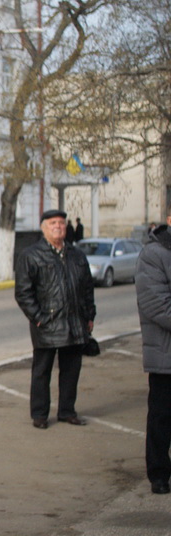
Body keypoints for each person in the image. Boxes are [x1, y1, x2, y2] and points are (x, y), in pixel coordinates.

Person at [15, 209, 96, 430]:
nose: (58, 226)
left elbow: (87, 288)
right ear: (44, 228)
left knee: (71, 371)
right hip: (47, 325)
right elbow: (23, 292)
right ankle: (40, 414)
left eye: (61, 222)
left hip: (75, 323)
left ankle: (67, 411)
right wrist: (39, 319)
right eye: (52, 223)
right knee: (41, 372)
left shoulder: (77, 255)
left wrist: (89, 316)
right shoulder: (31, 255)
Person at [135, 209, 171, 495]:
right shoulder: (154, 254)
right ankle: (159, 475)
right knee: (162, 417)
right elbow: (156, 306)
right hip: (166, 355)